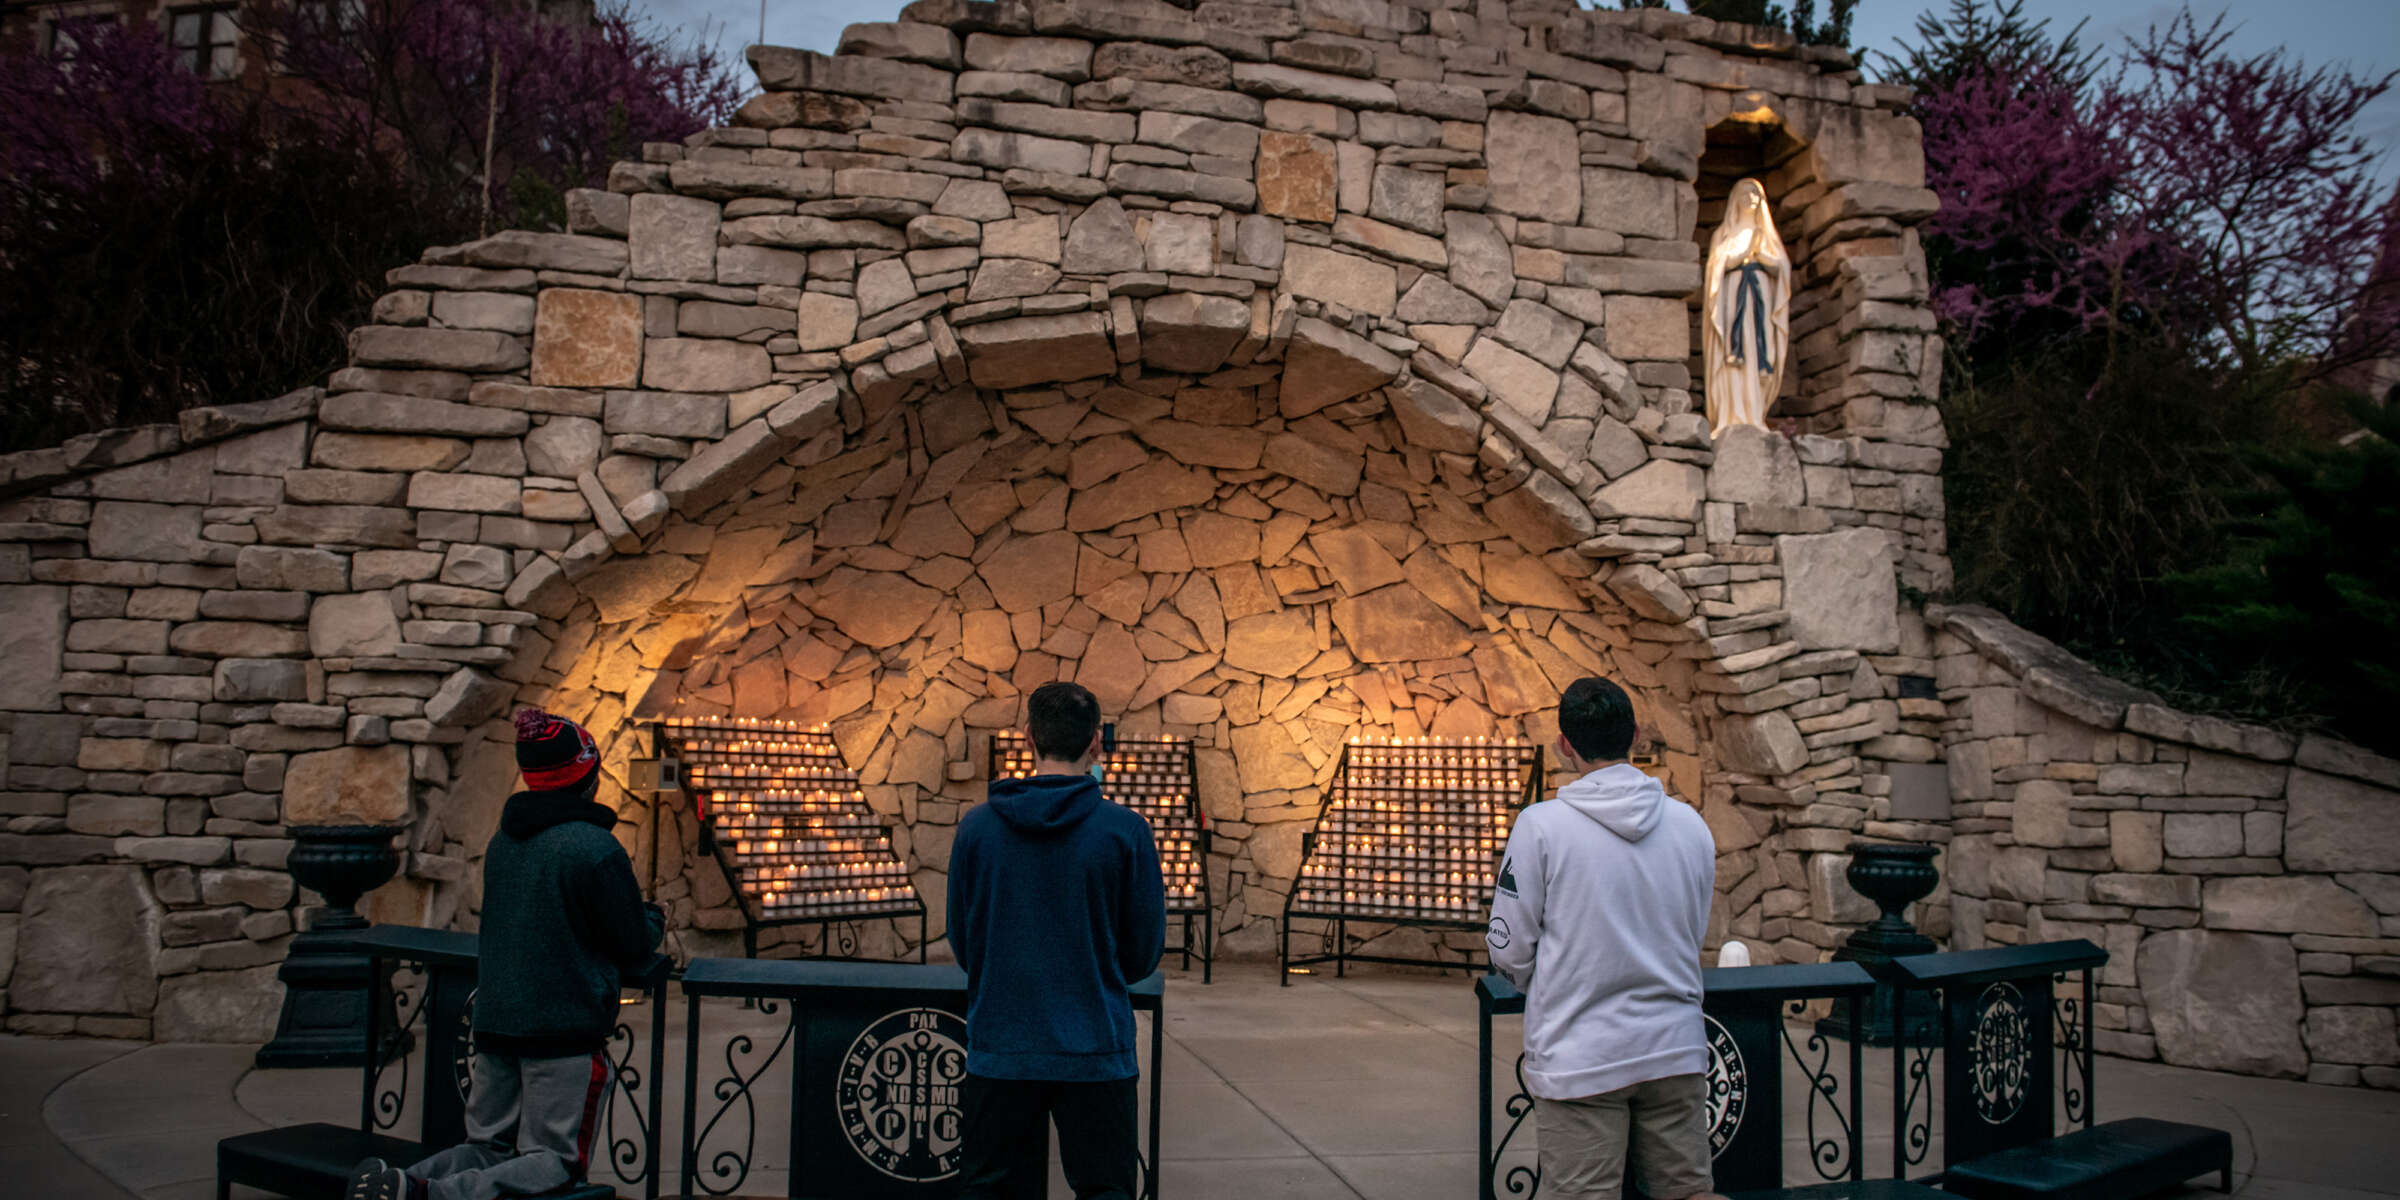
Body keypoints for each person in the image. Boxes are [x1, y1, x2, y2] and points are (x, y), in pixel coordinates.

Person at [349, 707, 664, 1200]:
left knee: (486, 1146)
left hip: (497, 1018)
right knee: (554, 1163)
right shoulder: (593, 848)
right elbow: (631, 940)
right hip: (562, 1029)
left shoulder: (504, 842)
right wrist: (654, 920)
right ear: (586, 775)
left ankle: (400, 1182)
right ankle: (426, 1195)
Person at [1486, 677, 1723, 1200]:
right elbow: (1693, 928)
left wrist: (1533, 980)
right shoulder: (1690, 825)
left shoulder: (1541, 827)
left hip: (1581, 1051)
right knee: (1688, 1194)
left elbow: (1509, 946)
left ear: (1564, 744)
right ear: (1636, 735)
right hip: (1674, 1047)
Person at [947, 681, 1167, 1200]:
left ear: (1029, 737)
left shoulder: (977, 829)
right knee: (1105, 1188)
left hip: (1001, 1045)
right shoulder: (1125, 832)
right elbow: (1143, 953)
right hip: (1095, 1047)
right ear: (1096, 742)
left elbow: (963, 940)